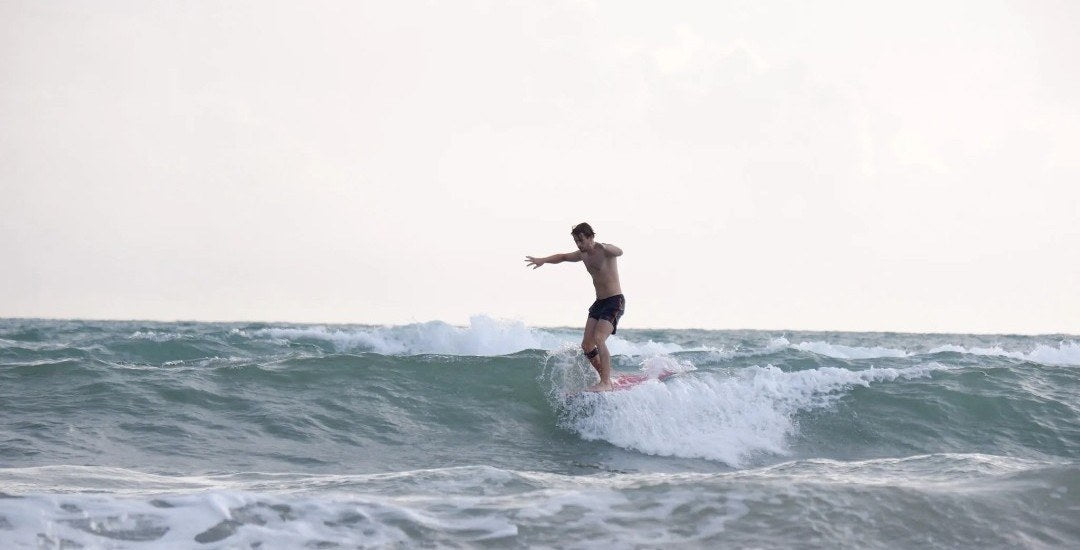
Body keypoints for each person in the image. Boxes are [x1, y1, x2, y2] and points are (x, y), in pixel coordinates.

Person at [525, 222, 624, 391]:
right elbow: (562, 257)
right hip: (599, 302)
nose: (579, 244)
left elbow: (619, 251)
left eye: (581, 240)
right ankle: (606, 377)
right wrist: (543, 260)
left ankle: (606, 383)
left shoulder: (604, 251)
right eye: (576, 241)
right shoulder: (582, 255)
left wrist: (606, 246)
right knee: (587, 346)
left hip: (614, 301)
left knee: (599, 338)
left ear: (591, 237)